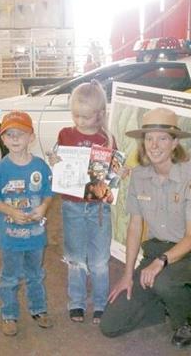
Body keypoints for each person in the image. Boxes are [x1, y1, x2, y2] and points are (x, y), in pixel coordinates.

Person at [100, 107, 191, 350]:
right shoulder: (139, 176)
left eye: (162, 138)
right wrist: (127, 275)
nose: (154, 145)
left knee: (165, 282)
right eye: (149, 138)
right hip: (156, 255)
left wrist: (161, 262)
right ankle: (166, 301)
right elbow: (134, 227)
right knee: (110, 324)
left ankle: (188, 317)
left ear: (174, 143)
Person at [47, 80, 116, 325]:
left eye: (86, 117)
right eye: (76, 115)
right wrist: (54, 161)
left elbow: (111, 177)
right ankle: (76, 302)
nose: (80, 121)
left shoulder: (107, 139)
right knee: (75, 257)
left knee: (99, 260)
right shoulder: (65, 134)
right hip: (72, 205)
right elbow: (57, 163)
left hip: (99, 208)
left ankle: (100, 303)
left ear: (99, 114)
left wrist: (118, 173)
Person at [0, 111, 54, 336]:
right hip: (10, 237)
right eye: (9, 134)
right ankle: (9, 314)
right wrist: (11, 211)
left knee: (35, 274)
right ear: (2, 139)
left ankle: (38, 309)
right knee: (10, 277)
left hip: (35, 236)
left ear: (31, 137)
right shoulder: (1, 169)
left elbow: (48, 193)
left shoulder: (41, 167)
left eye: (20, 134)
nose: (15, 139)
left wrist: (43, 208)